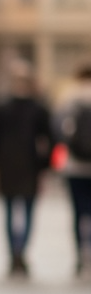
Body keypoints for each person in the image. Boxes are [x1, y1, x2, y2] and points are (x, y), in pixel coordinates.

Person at [0, 60, 53, 277]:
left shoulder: (4, 107)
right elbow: (49, 141)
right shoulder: (37, 108)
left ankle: (16, 252)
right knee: (22, 212)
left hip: (13, 166)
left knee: (13, 212)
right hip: (26, 166)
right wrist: (45, 167)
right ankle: (19, 252)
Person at [54, 66, 91, 275]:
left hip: (74, 166)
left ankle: (79, 256)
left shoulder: (70, 97)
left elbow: (59, 131)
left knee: (78, 213)